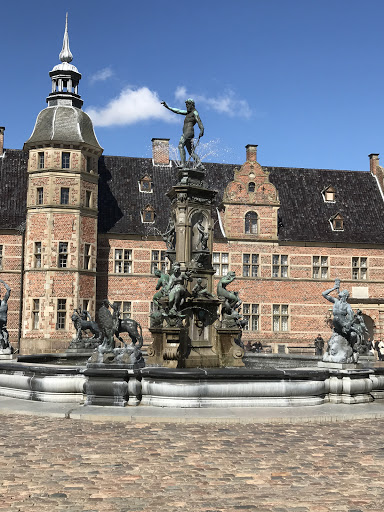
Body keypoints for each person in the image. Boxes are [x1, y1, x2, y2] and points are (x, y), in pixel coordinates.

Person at [161, 98, 204, 167]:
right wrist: (167, 107)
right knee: (191, 152)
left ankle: (183, 164)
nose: (186, 107)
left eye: (187, 105)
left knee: (180, 145)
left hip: (189, 132)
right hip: (187, 132)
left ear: (191, 105)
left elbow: (199, 121)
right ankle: (200, 165)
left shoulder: (195, 112)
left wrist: (201, 129)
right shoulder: (188, 113)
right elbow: (178, 111)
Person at [0, 279, 11, 350]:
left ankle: (3, 342)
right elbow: (9, 290)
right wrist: (3, 283)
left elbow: (9, 290)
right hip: (4, 321)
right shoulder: (4, 302)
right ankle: (4, 343)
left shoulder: (3, 303)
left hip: (1, 320)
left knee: (3, 333)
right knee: (4, 332)